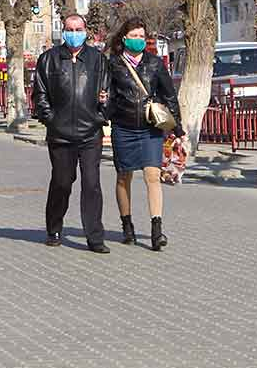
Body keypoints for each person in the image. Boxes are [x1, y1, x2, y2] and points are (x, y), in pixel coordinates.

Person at [32, 13, 111, 253]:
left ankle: (95, 237)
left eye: (78, 29)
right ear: (63, 31)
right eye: (70, 29)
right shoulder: (49, 59)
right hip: (60, 134)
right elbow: (40, 94)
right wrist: (51, 119)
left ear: (86, 31)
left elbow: (108, 91)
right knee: (62, 183)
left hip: (90, 133)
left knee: (91, 184)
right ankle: (53, 228)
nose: (74, 33)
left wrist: (102, 111)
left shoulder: (97, 59)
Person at [108, 17, 184, 251]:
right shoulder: (114, 64)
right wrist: (103, 112)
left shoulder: (154, 64)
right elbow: (107, 95)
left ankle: (156, 229)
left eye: (142, 36)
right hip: (123, 127)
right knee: (124, 177)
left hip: (150, 129)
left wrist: (177, 128)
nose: (138, 40)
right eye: (134, 36)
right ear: (124, 38)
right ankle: (127, 225)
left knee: (153, 176)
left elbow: (169, 95)